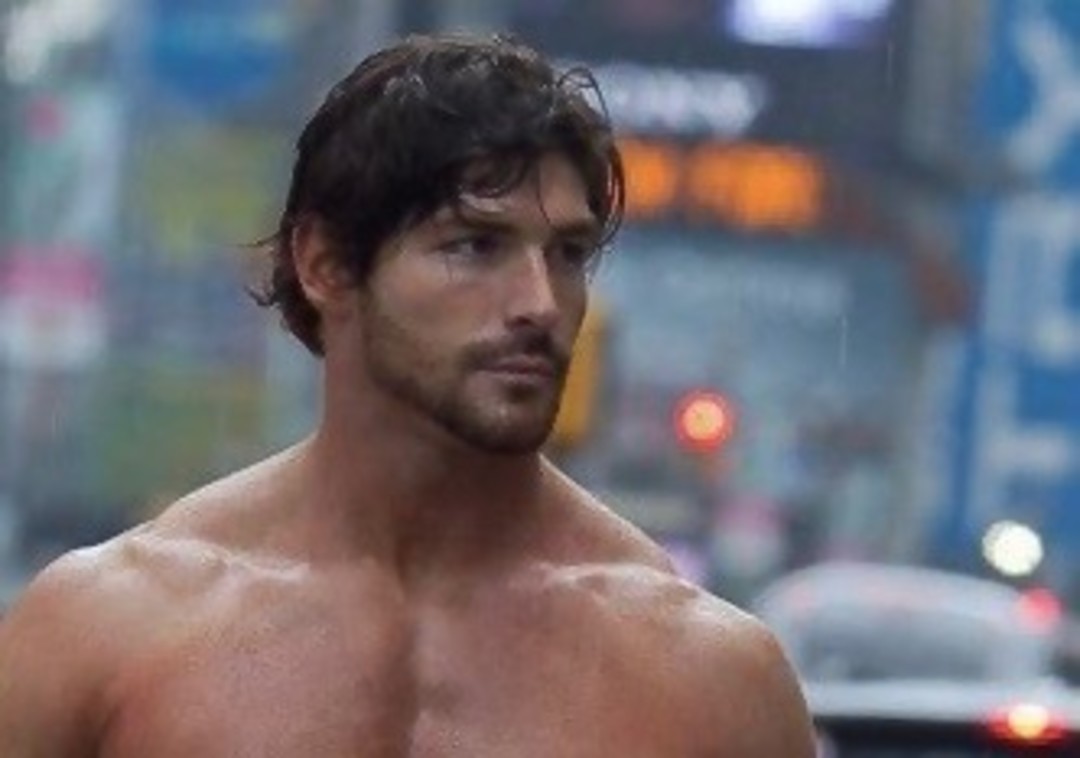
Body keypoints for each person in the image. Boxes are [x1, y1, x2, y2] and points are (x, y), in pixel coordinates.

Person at [0, 32, 815, 757]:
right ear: (325, 264)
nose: (539, 303)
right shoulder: (108, 630)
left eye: (567, 254)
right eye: (475, 245)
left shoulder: (704, 675)